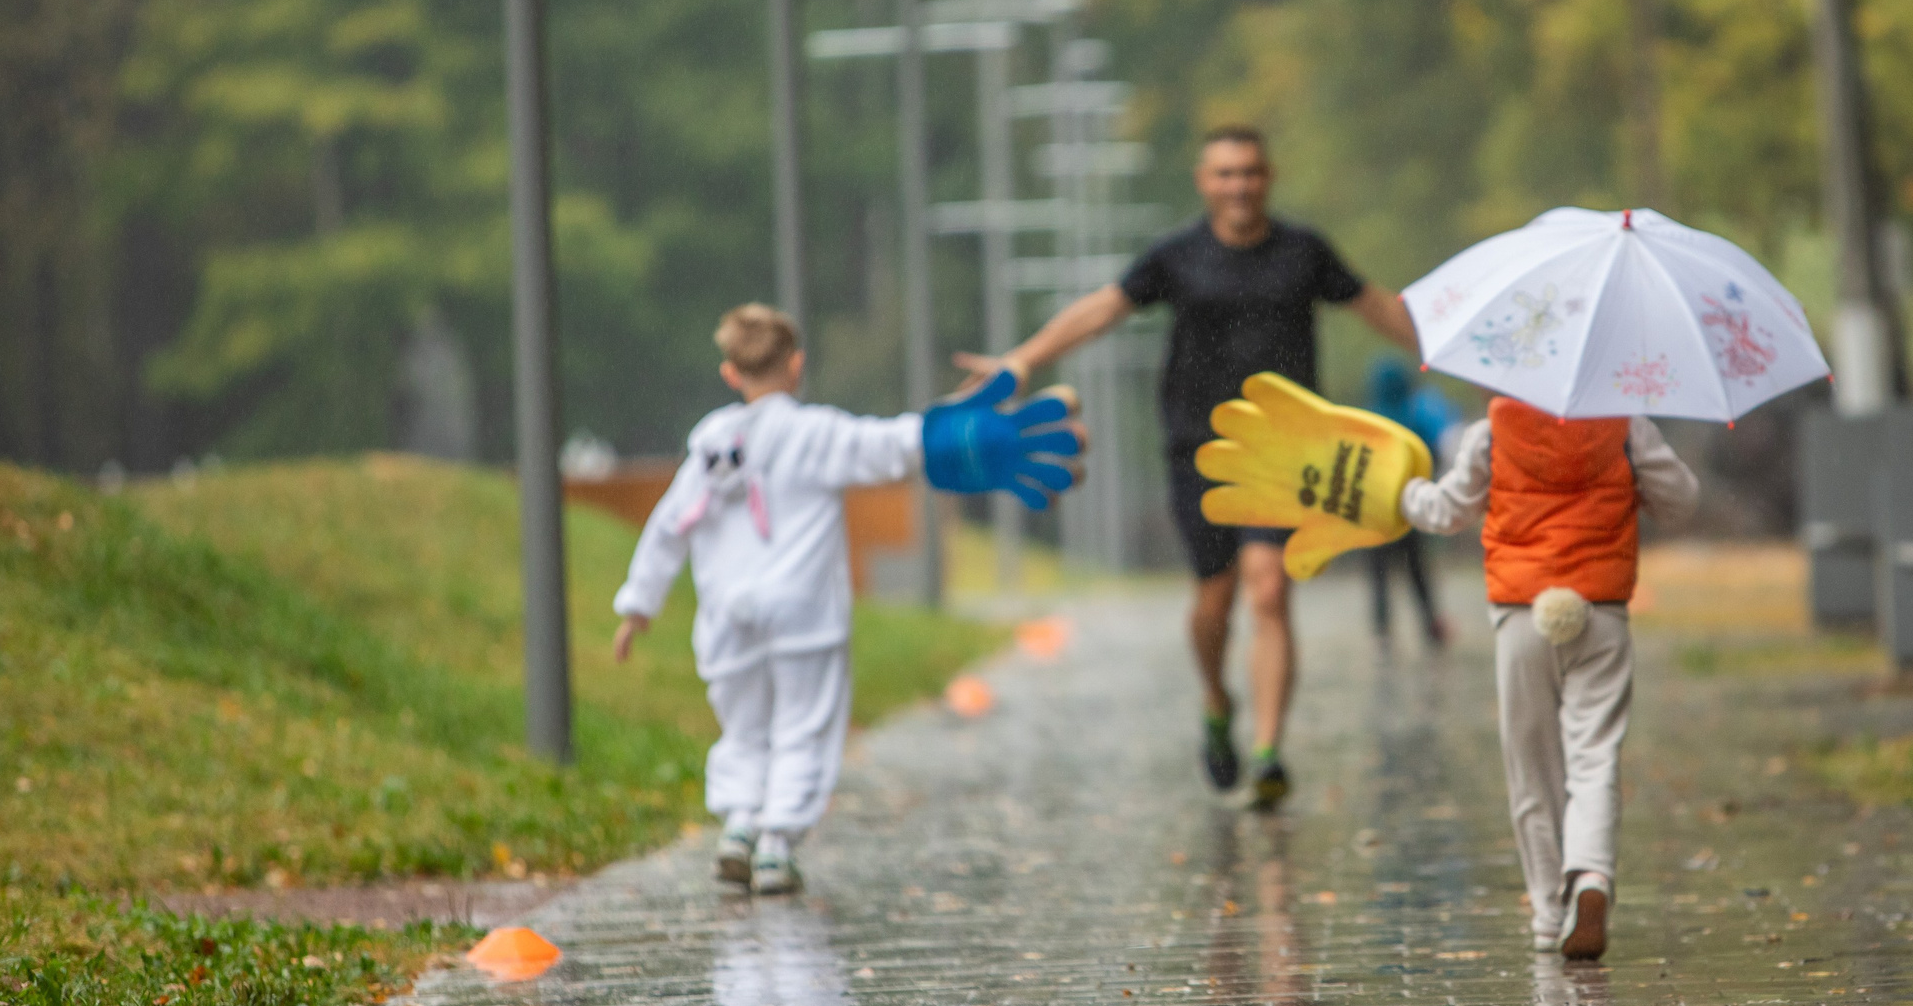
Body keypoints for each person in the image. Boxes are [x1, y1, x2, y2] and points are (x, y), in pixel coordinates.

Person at [957, 125, 1418, 809]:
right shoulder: (1177, 256)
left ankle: (1267, 752)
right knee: (1215, 599)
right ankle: (1215, 697)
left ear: (1270, 177)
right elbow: (1103, 309)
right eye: (1226, 173)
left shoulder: (1304, 252)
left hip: (1287, 452)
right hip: (1197, 448)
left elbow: (1377, 304)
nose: (1240, 185)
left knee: (1268, 588)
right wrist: (1024, 359)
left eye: (1252, 172)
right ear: (1205, 182)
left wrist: (1458, 355)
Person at [616, 304, 1082, 892]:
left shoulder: (711, 444)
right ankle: (776, 846)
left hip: (728, 616)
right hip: (802, 615)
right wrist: (945, 433)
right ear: (797, 366)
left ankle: (738, 825)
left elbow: (668, 525)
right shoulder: (816, 432)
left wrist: (639, 604)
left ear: (730, 374)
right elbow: (889, 445)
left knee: (744, 727)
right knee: (803, 727)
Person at [1399, 396, 1699, 960]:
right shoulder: (1626, 424)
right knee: (1594, 757)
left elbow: (1447, 511)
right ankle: (1591, 878)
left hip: (1521, 615)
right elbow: (1681, 503)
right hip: (1601, 610)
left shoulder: (1490, 431)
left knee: (1531, 768)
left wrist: (1402, 494)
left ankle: (1546, 913)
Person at [1362, 358, 1454, 649]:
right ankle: (1430, 627)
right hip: (1409, 512)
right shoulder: (1415, 416)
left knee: (1378, 577)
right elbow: (1433, 456)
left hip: (1372, 516)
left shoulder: (1367, 421)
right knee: (1417, 572)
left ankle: (1382, 633)